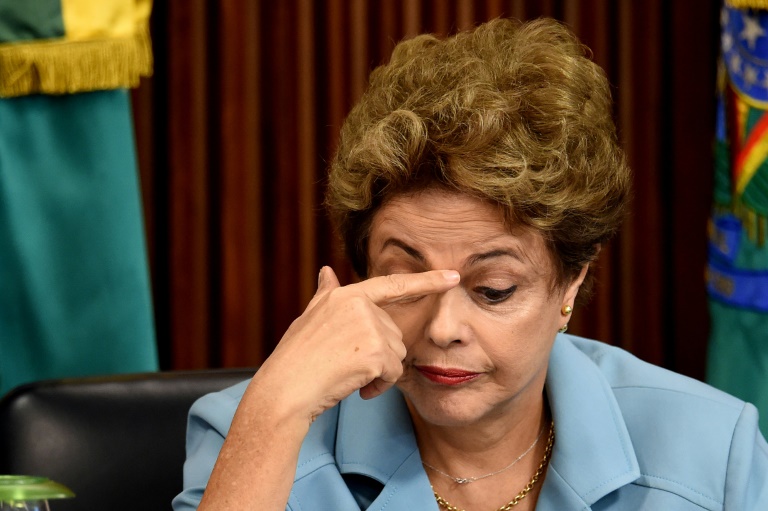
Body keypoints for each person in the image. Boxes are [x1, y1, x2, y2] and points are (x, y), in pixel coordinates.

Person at [173, 18, 768, 511]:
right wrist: (274, 410)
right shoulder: (250, 431)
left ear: (572, 280)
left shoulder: (714, 451)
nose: (440, 329)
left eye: (493, 289)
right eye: (406, 282)